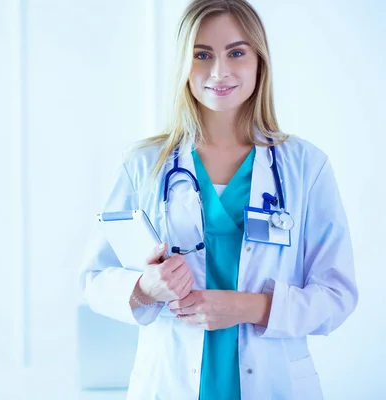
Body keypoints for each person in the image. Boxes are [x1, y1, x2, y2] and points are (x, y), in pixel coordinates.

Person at [78, 0, 358, 399]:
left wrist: (251, 307)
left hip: (274, 383)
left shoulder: (306, 167)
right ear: (183, 64)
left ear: (259, 62)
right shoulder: (143, 164)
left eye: (237, 53)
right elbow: (94, 280)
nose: (219, 71)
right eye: (202, 54)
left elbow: (337, 295)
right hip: (171, 381)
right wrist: (145, 287)